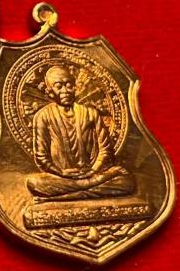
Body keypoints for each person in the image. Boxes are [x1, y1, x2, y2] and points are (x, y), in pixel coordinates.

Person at [26, 65, 135, 201]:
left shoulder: (91, 113)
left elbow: (105, 150)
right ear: (50, 92)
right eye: (59, 86)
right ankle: (92, 185)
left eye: (69, 85)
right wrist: (61, 172)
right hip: (61, 177)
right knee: (34, 183)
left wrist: (93, 170)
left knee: (126, 182)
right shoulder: (42, 116)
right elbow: (41, 157)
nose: (65, 91)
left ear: (75, 87)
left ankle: (64, 195)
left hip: (92, 172)